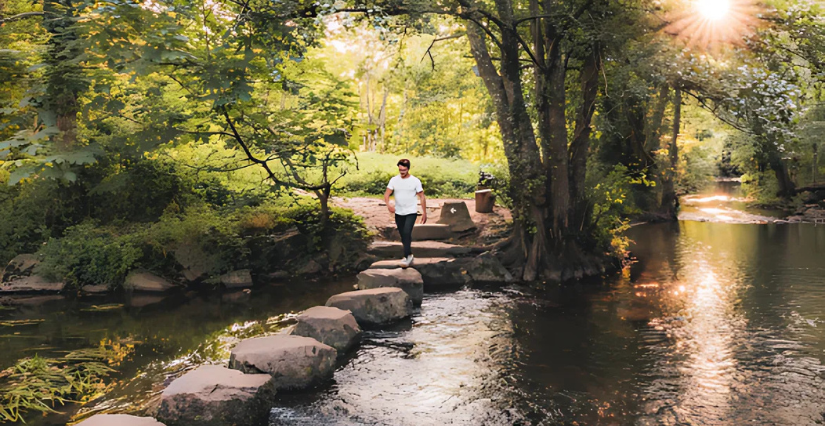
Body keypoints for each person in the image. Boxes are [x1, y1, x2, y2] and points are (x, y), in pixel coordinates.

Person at [384, 159, 426, 267]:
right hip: (399, 212)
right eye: (400, 170)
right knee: (403, 234)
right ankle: (409, 254)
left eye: (404, 170)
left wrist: (424, 212)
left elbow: (421, 196)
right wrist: (389, 205)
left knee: (407, 232)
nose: (402, 172)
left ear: (408, 169)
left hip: (411, 211)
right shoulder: (394, 180)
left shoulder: (415, 181)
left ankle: (407, 257)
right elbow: (387, 194)